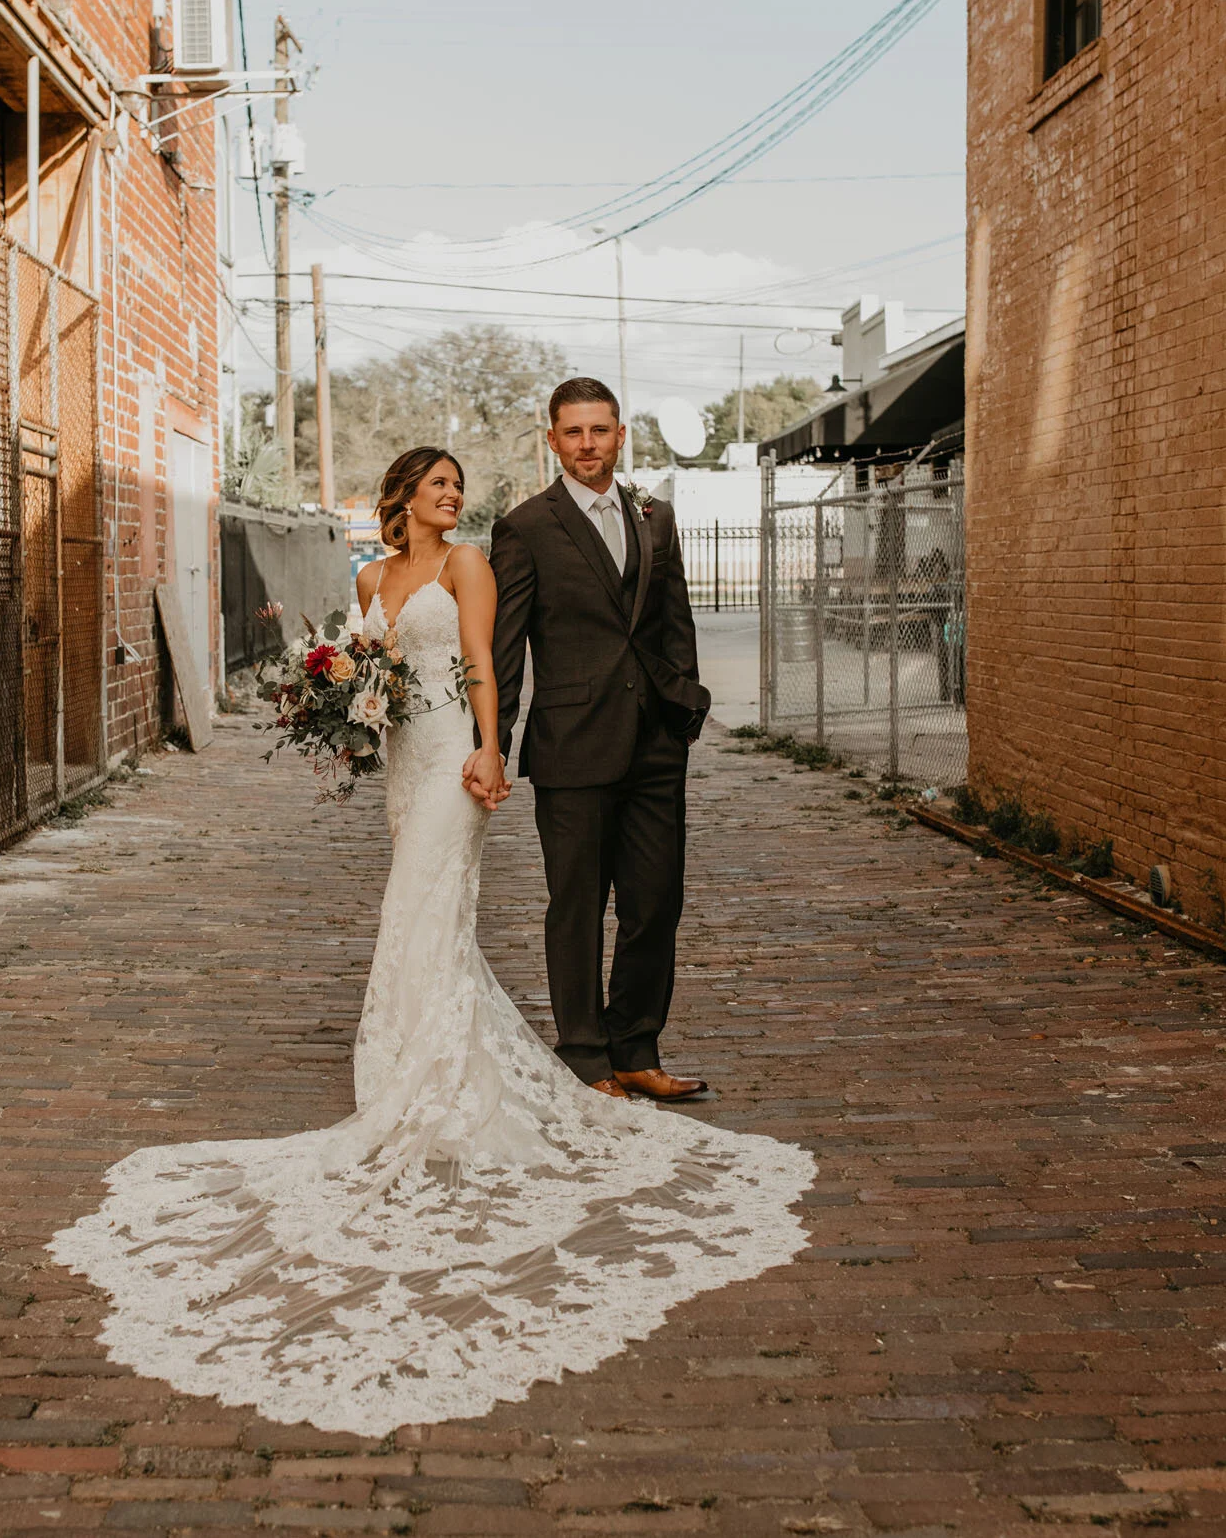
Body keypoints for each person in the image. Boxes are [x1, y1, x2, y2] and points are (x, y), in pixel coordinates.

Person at [50, 444, 811, 1438]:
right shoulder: (370, 574)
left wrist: (492, 750)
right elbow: (367, 661)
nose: (454, 499)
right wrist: (341, 706)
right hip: (405, 758)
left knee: (424, 905)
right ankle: (418, 1051)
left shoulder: (468, 567)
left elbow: (483, 666)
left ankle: (435, 1072)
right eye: (439, 487)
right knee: (414, 909)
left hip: (455, 753)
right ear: (402, 495)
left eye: (459, 488)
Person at [480, 378, 714, 1101]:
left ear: (620, 435)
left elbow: (674, 622)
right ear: (552, 440)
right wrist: (492, 742)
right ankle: (585, 1055)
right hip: (573, 746)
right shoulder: (526, 527)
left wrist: (685, 705)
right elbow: (506, 646)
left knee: (655, 901)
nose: (588, 444)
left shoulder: (656, 517)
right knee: (577, 905)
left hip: (654, 745)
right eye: (573, 432)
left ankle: (637, 1044)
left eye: (601, 430)